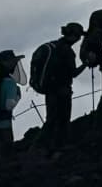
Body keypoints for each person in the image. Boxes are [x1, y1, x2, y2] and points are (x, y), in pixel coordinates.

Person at [31, 22, 87, 151]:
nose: (79, 39)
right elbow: (73, 73)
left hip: (49, 90)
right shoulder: (67, 52)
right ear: (73, 36)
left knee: (51, 119)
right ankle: (55, 147)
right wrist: (86, 63)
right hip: (62, 90)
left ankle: (40, 147)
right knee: (62, 120)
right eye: (78, 36)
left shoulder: (53, 46)